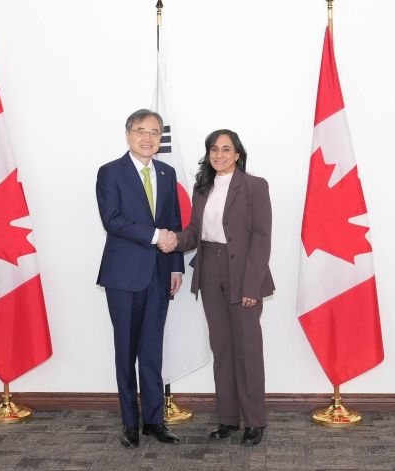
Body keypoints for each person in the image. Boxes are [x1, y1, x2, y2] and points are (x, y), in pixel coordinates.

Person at [159, 129, 274, 446]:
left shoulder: (255, 186)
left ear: (237, 154)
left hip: (243, 273)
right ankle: (228, 419)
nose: (219, 155)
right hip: (209, 270)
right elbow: (194, 233)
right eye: (214, 149)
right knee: (222, 349)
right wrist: (173, 240)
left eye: (226, 149)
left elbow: (262, 238)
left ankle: (254, 421)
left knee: (247, 350)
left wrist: (251, 286)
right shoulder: (202, 188)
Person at [96, 109, 183, 448]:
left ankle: (154, 421)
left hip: (159, 275)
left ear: (161, 138)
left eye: (154, 132)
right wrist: (155, 236)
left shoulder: (166, 172)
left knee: (152, 351)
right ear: (128, 135)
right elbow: (112, 219)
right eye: (141, 131)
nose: (148, 138)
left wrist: (175, 266)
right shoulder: (110, 172)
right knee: (126, 351)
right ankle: (130, 424)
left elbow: (173, 222)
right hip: (123, 277)